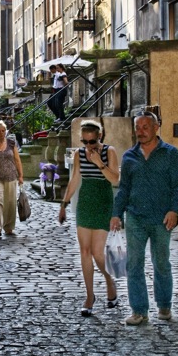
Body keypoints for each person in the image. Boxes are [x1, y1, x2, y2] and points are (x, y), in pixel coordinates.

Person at [110, 111, 178, 326]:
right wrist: (116, 213)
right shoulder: (129, 156)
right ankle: (139, 310)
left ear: (156, 128)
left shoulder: (170, 154)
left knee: (161, 262)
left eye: (145, 127)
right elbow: (124, 188)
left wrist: (174, 211)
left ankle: (164, 305)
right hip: (135, 217)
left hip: (163, 218)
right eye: (137, 127)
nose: (140, 132)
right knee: (134, 264)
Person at [58, 121, 120, 316]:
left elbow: (115, 179)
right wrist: (64, 204)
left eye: (91, 141)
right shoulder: (79, 153)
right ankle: (89, 296)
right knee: (84, 251)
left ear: (99, 137)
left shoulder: (109, 151)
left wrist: (98, 163)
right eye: (84, 141)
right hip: (85, 200)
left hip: (103, 200)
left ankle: (109, 280)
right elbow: (75, 178)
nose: (88, 145)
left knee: (97, 252)